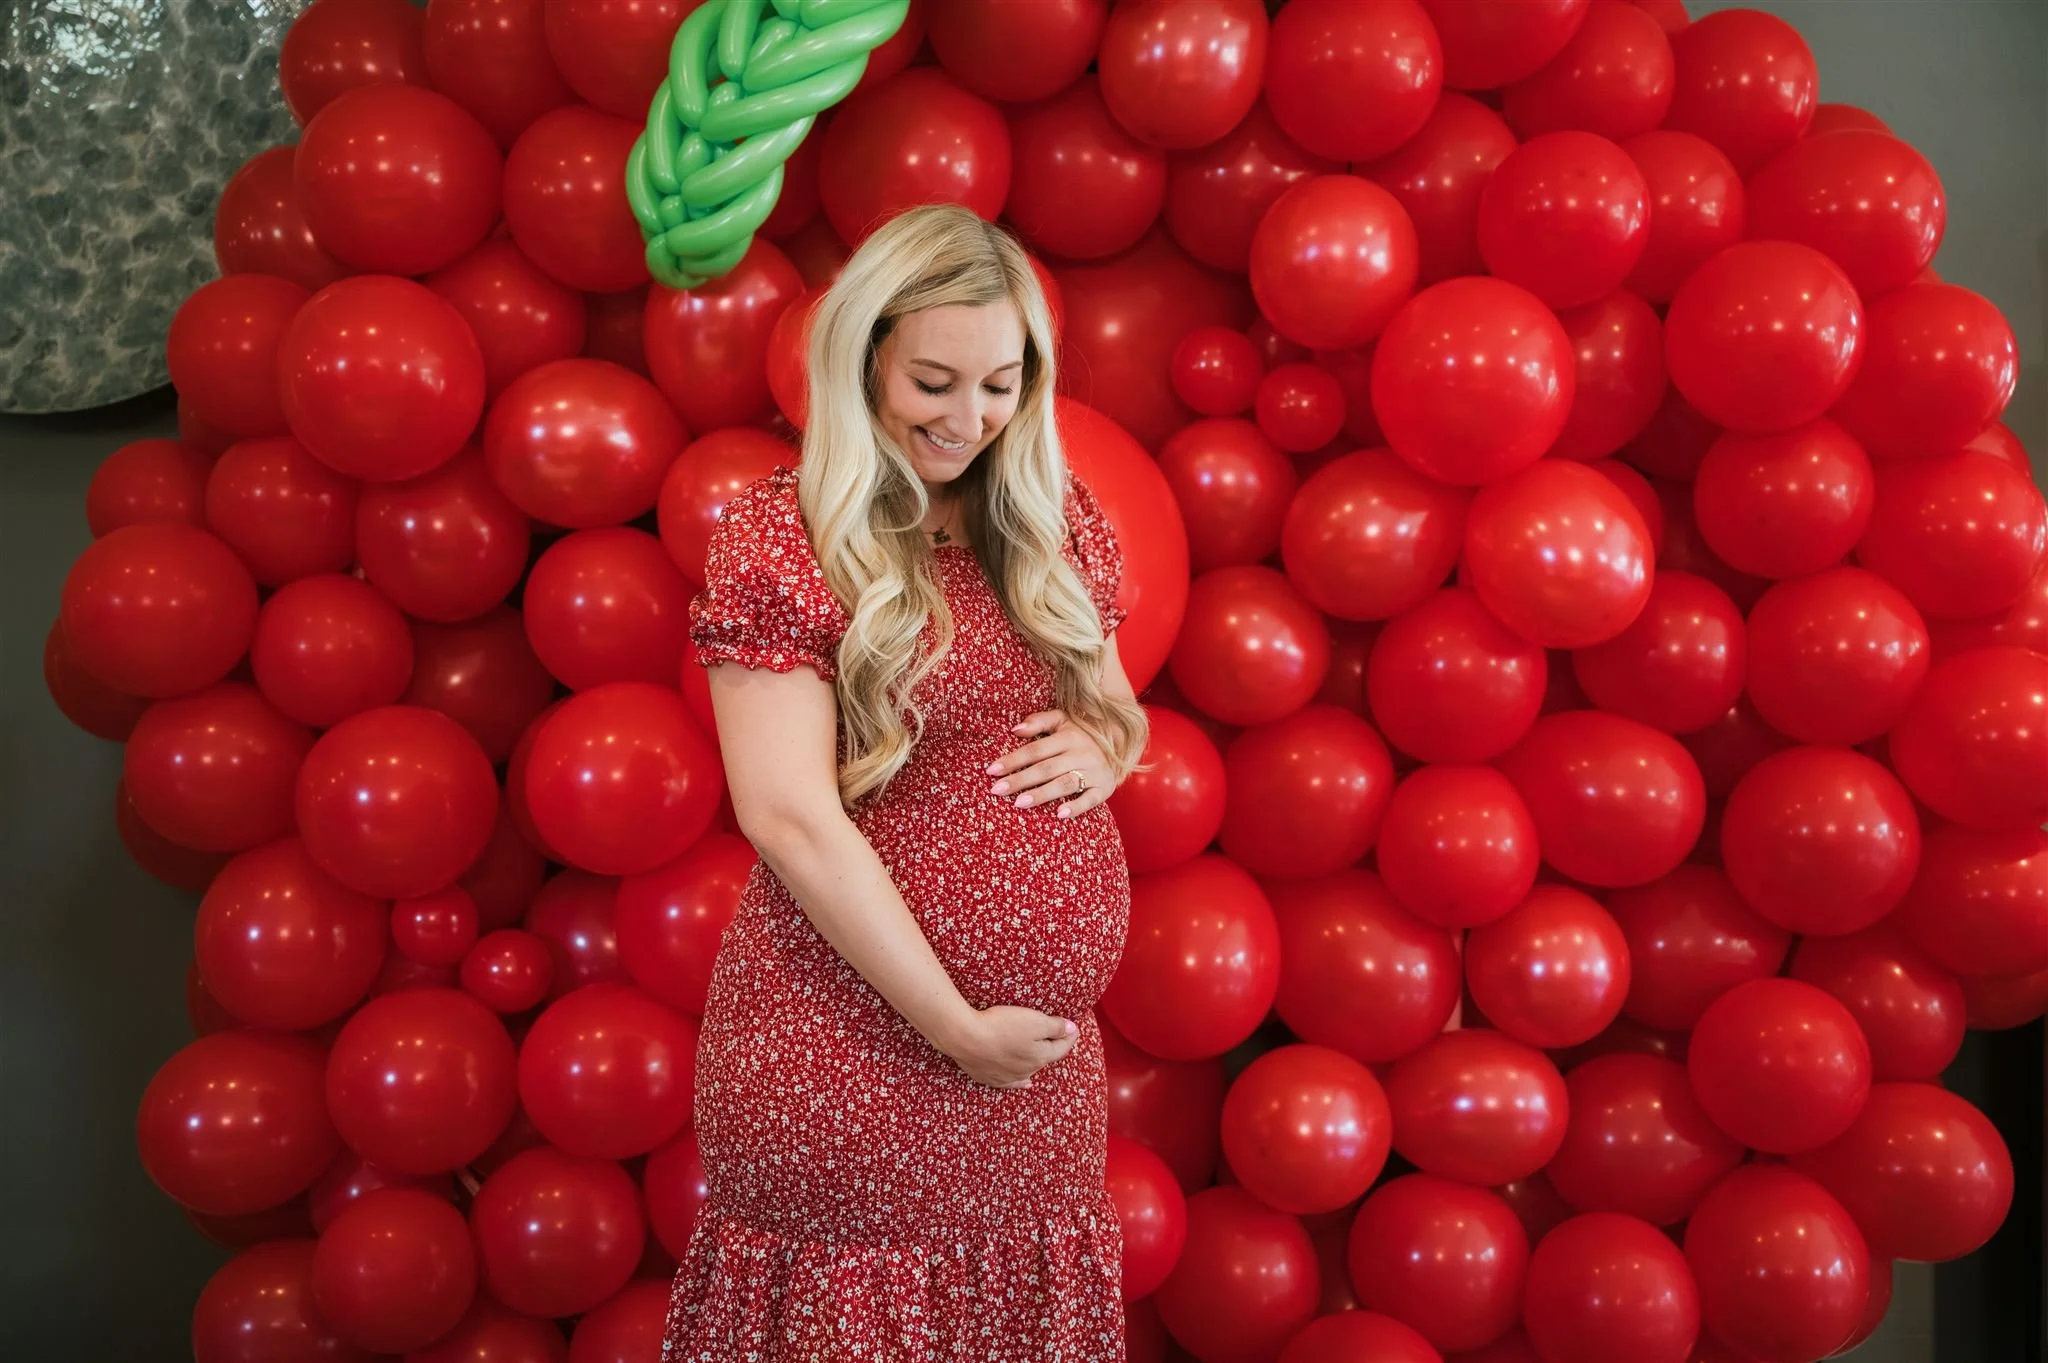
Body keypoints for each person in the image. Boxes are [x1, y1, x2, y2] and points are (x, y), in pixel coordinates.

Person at [659, 203, 1151, 1362]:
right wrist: (953, 1026)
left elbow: (1117, 706)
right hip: (849, 1055)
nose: (968, 418)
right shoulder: (784, 537)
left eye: (998, 384)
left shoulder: (1047, 520)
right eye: (933, 379)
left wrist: (1111, 742)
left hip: (1029, 1084)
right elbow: (784, 814)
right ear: (866, 349)